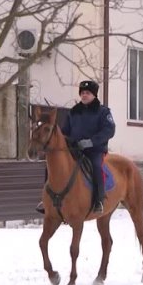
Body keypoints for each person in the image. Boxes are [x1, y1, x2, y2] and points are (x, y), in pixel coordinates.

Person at [35, 80, 115, 214]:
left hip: (94, 150)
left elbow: (109, 131)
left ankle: (99, 200)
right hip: (75, 149)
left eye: (87, 93)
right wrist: (65, 140)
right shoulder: (73, 112)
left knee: (96, 166)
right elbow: (65, 131)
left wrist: (91, 142)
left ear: (94, 95)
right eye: (82, 93)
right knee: (51, 165)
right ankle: (46, 200)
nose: (84, 95)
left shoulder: (103, 112)